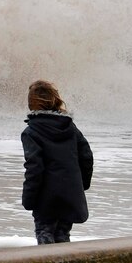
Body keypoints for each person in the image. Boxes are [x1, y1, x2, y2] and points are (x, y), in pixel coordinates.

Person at [21, 80, 94, 245]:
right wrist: (81, 185)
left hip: (46, 199)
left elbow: (34, 167)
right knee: (62, 238)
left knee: (45, 238)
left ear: (32, 104)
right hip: (70, 195)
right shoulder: (70, 128)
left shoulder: (31, 132)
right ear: (55, 100)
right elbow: (87, 157)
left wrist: (29, 198)